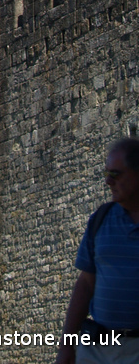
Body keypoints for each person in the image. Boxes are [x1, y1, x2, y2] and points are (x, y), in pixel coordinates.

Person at [56, 139, 139, 364]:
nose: (108, 181)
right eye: (106, 173)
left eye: (115, 174)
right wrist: (66, 347)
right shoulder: (101, 219)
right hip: (97, 348)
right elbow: (85, 284)